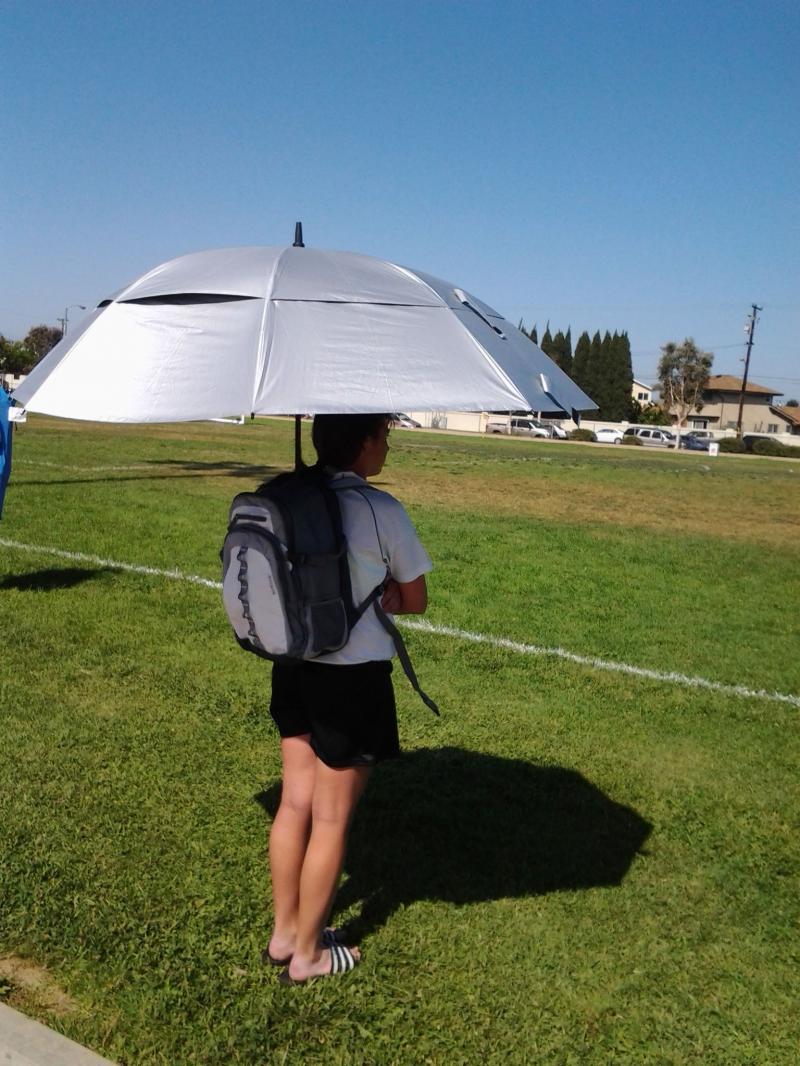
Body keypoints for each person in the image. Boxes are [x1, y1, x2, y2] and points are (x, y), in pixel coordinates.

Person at [265, 413, 432, 984]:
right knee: (331, 820)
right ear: (363, 442)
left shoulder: (285, 496)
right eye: (384, 435)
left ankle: (286, 932)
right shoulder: (381, 510)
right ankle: (308, 954)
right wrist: (384, 592)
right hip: (351, 677)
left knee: (295, 804)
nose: (388, 445)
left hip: (293, 665)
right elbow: (416, 599)